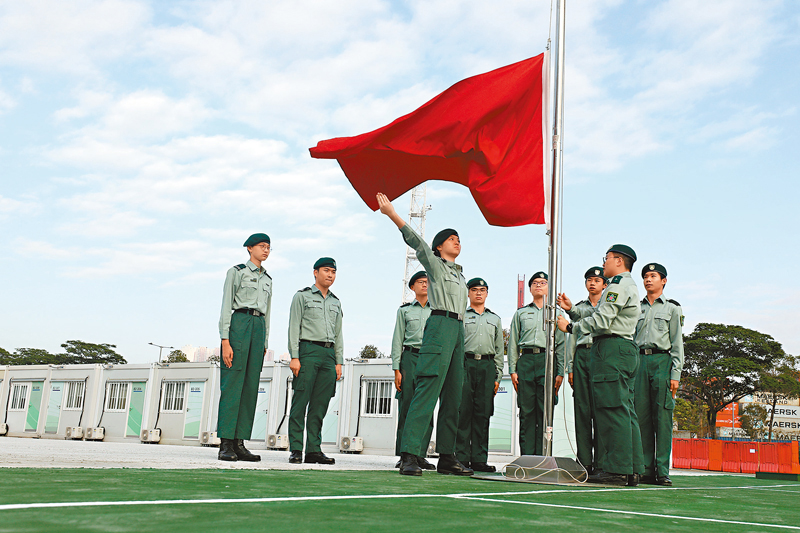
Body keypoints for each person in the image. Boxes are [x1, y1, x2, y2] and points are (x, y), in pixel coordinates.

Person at [376, 192, 473, 477]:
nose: (457, 241)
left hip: (457, 330)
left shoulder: (460, 273)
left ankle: (447, 455)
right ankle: (410, 454)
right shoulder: (435, 264)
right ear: (439, 247)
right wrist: (392, 215)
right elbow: (416, 242)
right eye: (451, 238)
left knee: (454, 396)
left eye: (458, 238)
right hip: (439, 326)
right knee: (426, 392)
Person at [557, 245, 643, 486]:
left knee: (611, 409)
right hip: (621, 349)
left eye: (606, 259)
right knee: (625, 410)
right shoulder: (626, 285)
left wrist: (572, 327)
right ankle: (632, 468)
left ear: (617, 260)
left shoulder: (617, 285)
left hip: (612, 349)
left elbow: (603, 319)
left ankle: (616, 469)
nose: (604, 264)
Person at [217, 233, 273, 462]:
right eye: (262, 246)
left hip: (258, 328)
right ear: (249, 248)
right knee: (233, 386)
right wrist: (225, 340)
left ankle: (240, 443)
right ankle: (226, 444)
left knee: (250, 388)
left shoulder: (268, 279)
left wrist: (264, 344)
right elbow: (225, 306)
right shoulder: (237, 272)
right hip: (239, 324)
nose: (266, 250)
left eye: (269, 247)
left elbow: (268, 313)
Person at [287, 257, 344, 465]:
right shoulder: (302, 297)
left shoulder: (336, 302)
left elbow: (339, 334)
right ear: (315, 272)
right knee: (300, 402)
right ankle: (295, 449)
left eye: (333, 272)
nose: (330, 275)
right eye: (326, 271)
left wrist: (339, 361)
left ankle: (313, 449)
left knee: (320, 406)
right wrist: (294, 356)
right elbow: (294, 327)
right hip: (307, 351)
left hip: (329, 356)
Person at [634, 263, 684, 486]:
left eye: (653, 276)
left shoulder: (672, 309)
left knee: (662, 418)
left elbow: (677, 344)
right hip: (639, 362)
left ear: (663, 280)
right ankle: (645, 469)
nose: (648, 279)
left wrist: (675, 373)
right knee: (641, 418)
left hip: (662, 362)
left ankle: (662, 470)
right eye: (645, 276)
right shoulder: (636, 307)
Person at [508, 272, 566, 456]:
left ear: (549, 287)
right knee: (526, 411)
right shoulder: (521, 313)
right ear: (530, 289)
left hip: (547, 362)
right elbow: (513, 343)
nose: (539, 285)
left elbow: (561, 344)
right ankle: (526, 457)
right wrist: (512, 369)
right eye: (535, 283)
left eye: (543, 282)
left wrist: (560, 371)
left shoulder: (557, 314)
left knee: (545, 411)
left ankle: (543, 456)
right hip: (526, 362)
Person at [455, 277, 504, 472]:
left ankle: (479, 459)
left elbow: (500, 350)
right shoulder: (462, 316)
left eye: (482, 290)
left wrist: (497, 376)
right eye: (474, 289)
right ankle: (460, 457)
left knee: (483, 414)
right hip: (465, 364)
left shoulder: (495, 319)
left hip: (487, 366)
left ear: (487, 293)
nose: (478, 293)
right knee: (463, 412)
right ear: (468, 293)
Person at [564, 267, 607, 474]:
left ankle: (600, 462)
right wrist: (571, 367)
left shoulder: (609, 307)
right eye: (589, 280)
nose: (592, 283)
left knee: (601, 409)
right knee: (582, 409)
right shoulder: (578, 309)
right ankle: (583, 462)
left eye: (597, 280)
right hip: (582, 355)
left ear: (604, 285)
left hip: (601, 355)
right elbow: (571, 339)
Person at [391, 271, 435, 471]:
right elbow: (397, 340)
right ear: (412, 287)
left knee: (426, 408)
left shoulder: (437, 310)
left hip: (431, 358)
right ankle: (404, 453)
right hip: (410, 358)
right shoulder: (405, 311)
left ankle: (420, 454)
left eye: (427, 282)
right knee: (407, 407)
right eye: (421, 282)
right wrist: (396, 369)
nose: (425, 285)